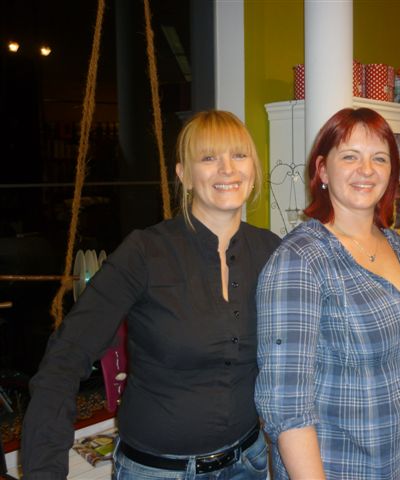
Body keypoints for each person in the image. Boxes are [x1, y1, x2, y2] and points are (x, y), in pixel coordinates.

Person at [21, 110, 281, 479]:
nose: (227, 169)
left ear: (252, 169)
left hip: (247, 463)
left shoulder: (272, 251)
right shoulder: (144, 253)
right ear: (184, 175)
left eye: (239, 155)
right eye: (209, 157)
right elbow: (64, 359)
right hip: (158, 472)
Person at [255, 107, 400, 480]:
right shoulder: (300, 260)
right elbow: (287, 408)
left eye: (379, 158)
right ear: (323, 170)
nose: (366, 169)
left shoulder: (396, 245)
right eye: (350, 156)